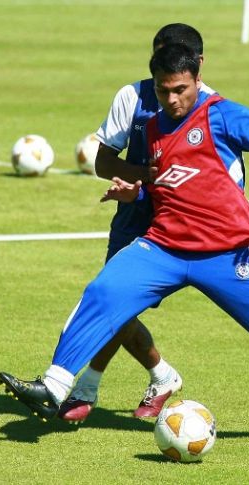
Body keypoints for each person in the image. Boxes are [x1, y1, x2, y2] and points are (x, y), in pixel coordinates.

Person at [0, 43, 249, 440]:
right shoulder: (155, 128)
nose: (172, 99)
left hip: (225, 255)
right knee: (103, 290)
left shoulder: (220, 114)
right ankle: (53, 387)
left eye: (180, 90)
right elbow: (167, 188)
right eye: (163, 91)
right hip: (164, 248)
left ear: (197, 80)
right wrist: (135, 194)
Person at [56, 23, 217, 424]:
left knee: (116, 303)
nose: (163, 76)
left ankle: (89, 386)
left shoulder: (215, 107)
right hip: (133, 216)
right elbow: (102, 162)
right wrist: (143, 177)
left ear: (196, 65)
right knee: (115, 302)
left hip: (183, 220)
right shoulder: (132, 96)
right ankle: (157, 376)